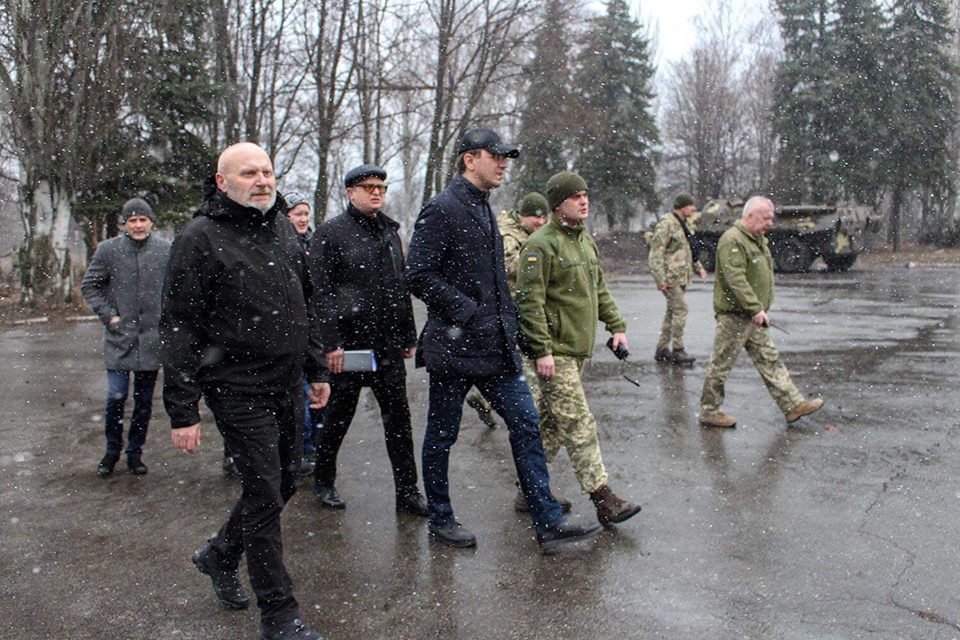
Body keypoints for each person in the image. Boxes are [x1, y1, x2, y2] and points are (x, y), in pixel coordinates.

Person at [160, 142, 329, 640]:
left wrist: (316, 367)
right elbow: (179, 326)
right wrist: (183, 410)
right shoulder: (200, 238)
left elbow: (305, 301)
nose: (261, 181)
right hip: (236, 387)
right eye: (249, 173)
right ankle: (279, 614)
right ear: (222, 182)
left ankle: (219, 554)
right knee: (263, 493)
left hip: (286, 382)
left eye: (267, 172)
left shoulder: (282, 227)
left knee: (286, 481)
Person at [405, 128, 602, 554]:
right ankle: (441, 518)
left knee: (527, 424)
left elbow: (496, 280)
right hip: (454, 349)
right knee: (442, 435)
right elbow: (418, 274)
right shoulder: (442, 208)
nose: (503, 164)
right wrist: (467, 312)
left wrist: (513, 328)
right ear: (469, 159)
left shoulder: (484, 206)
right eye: (495, 156)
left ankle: (547, 521)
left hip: (495, 348)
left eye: (505, 158)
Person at [516, 171, 642, 527]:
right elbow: (529, 303)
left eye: (586, 194)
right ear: (558, 204)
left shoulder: (585, 241)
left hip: (577, 349)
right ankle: (603, 497)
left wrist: (616, 326)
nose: (584, 201)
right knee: (578, 422)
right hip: (555, 352)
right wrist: (542, 350)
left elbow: (598, 289)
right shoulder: (540, 245)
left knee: (552, 425)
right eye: (575, 196)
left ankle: (529, 488)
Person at [308, 164, 428, 516]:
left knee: (399, 423)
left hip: (387, 345)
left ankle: (407, 493)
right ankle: (323, 480)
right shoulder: (331, 234)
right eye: (368, 187)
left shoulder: (390, 232)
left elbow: (399, 287)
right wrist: (331, 344)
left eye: (381, 187)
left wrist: (408, 334)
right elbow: (321, 295)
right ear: (350, 192)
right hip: (349, 347)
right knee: (337, 419)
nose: (377, 192)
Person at [698, 195, 824, 429]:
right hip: (735, 316)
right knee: (721, 364)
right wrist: (754, 307)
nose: (770, 223)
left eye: (771, 218)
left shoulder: (757, 240)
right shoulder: (733, 240)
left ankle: (792, 406)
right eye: (766, 218)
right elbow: (736, 279)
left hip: (753, 316)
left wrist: (759, 308)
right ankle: (709, 411)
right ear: (750, 216)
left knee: (769, 360)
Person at [81, 198, 171, 477]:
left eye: (143, 220)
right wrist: (110, 316)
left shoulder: (165, 250)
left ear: (151, 222)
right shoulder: (108, 250)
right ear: (124, 224)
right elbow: (90, 286)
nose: (138, 225)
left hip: (151, 341)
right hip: (119, 339)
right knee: (116, 397)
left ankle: (135, 453)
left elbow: (175, 288)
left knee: (143, 403)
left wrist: (166, 319)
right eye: (132, 220)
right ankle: (111, 451)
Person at [463, 192, 550, 429]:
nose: (540, 222)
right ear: (521, 215)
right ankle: (529, 426)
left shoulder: (528, 234)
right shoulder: (509, 237)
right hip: (510, 311)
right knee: (523, 370)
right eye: (535, 217)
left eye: (544, 217)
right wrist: (538, 259)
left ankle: (482, 398)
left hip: (519, 311)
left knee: (509, 363)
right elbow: (509, 267)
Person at [286, 191, 325, 477]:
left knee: (317, 393)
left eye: (305, 213)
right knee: (301, 399)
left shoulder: (315, 244)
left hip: (316, 330)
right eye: (297, 214)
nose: (303, 218)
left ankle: (313, 449)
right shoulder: (282, 247)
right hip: (294, 330)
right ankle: (303, 450)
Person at [648, 192, 707, 365]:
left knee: (672, 311)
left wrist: (698, 267)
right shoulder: (667, 224)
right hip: (670, 277)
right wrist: (660, 279)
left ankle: (662, 349)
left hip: (680, 275)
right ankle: (678, 350)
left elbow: (688, 249)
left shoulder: (683, 224)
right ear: (682, 207)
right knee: (680, 310)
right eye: (690, 206)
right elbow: (656, 253)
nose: (693, 209)